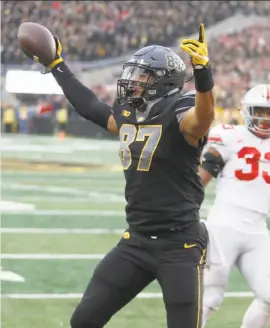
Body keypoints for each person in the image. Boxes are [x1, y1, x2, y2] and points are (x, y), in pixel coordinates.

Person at [20, 24, 215, 328]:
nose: (133, 82)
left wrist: (203, 74)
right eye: (133, 74)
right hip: (137, 240)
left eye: (143, 76)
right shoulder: (128, 113)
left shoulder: (182, 109)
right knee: (84, 320)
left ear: (164, 82)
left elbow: (202, 120)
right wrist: (57, 66)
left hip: (181, 245)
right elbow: (89, 107)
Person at [198, 84, 270, 328]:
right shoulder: (230, 136)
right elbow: (200, 180)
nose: (264, 118)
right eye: (259, 111)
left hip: (257, 230)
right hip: (224, 225)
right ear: (248, 111)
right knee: (209, 297)